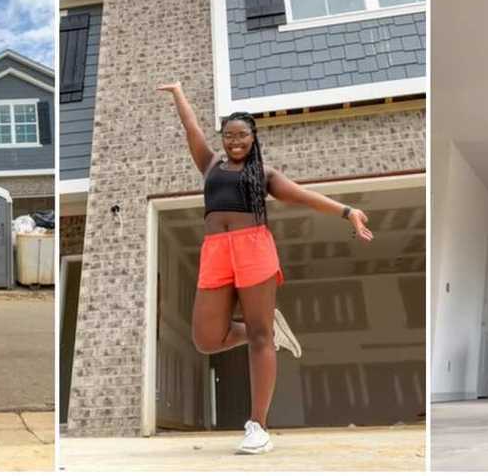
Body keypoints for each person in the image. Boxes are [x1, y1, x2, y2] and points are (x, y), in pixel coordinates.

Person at [157, 82, 374, 453]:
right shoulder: (210, 165)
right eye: (228, 136)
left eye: (242, 135)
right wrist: (178, 93)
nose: (235, 141)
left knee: (259, 339)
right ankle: (269, 328)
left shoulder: (265, 175)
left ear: (253, 138)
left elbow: (304, 196)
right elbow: (191, 128)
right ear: (222, 139)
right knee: (206, 338)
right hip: (215, 251)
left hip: (254, 248)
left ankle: (258, 425)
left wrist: (347, 211)